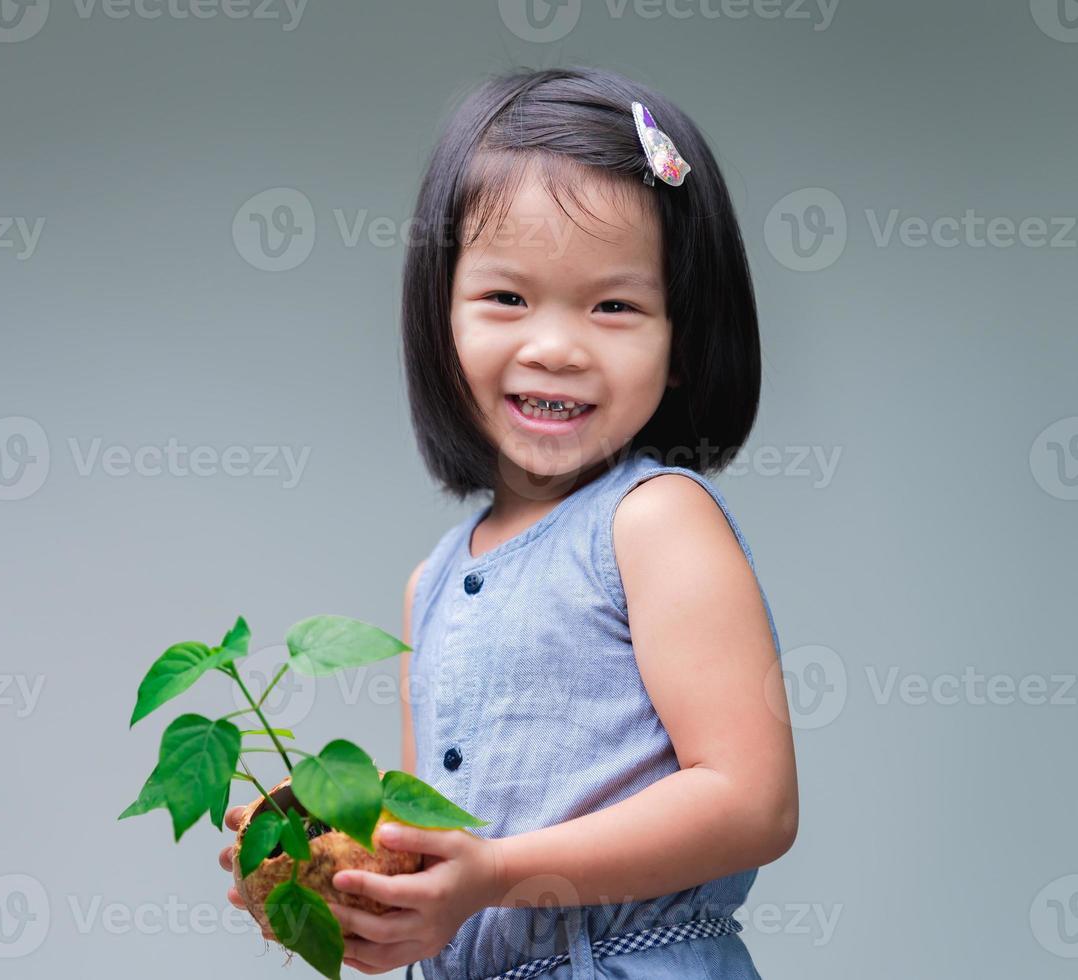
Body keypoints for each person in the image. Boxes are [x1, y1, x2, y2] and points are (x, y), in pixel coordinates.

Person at [222, 65, 798, 979]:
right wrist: (368, 898)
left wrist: (494, 874)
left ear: (683, 341)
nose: (556, 345)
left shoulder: (656, 524)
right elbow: (443, 864)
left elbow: (751, 805)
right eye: (506, 298)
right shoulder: (434, 582)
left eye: (615, 305)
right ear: (439, 319)